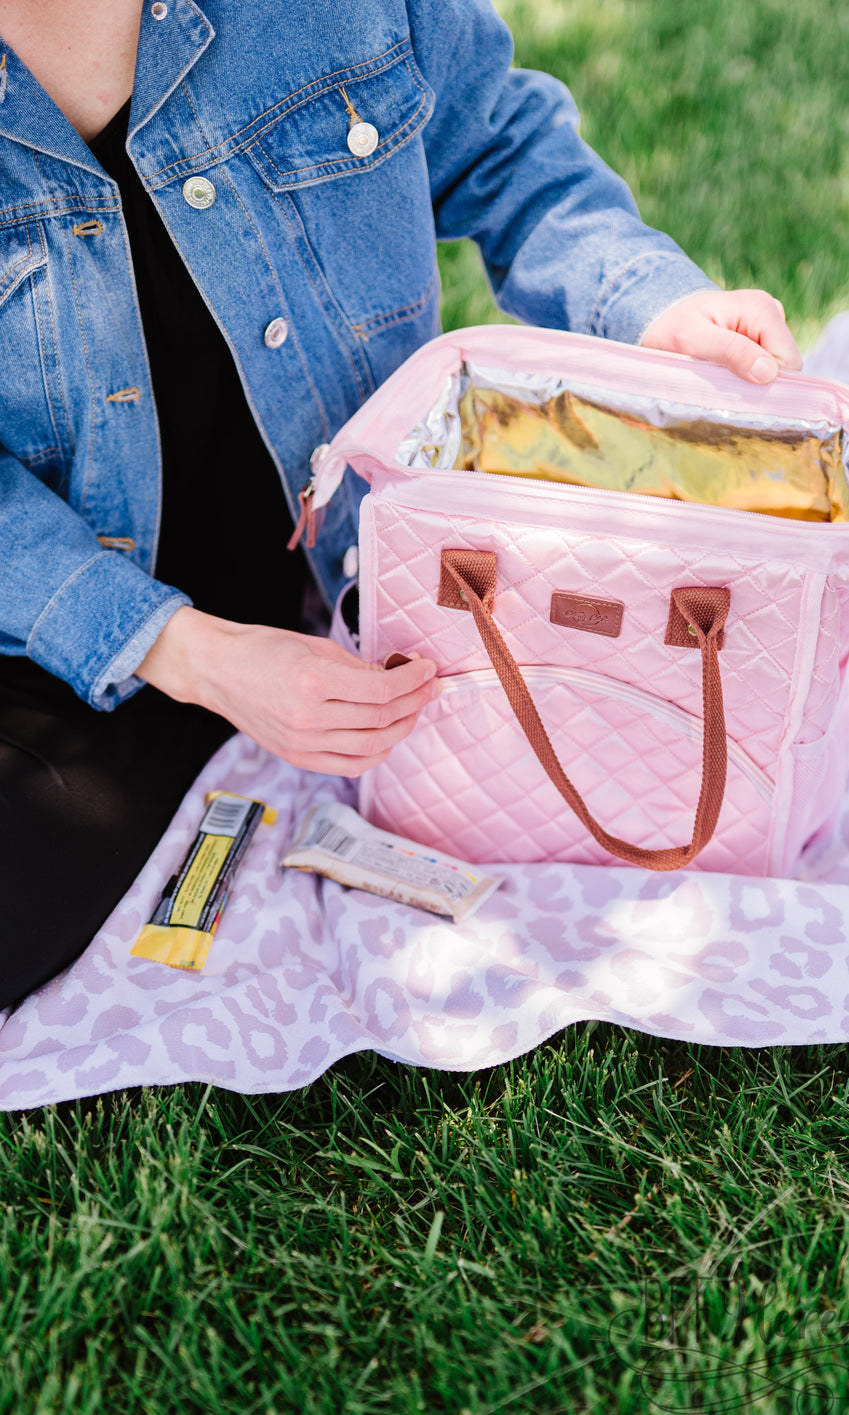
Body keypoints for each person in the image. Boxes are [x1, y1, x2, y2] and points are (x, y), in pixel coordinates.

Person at [0, 0, 802, 1008]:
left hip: (353, 567)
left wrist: (653, 303)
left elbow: (496, 142)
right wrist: (191, 655)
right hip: (49, 621)